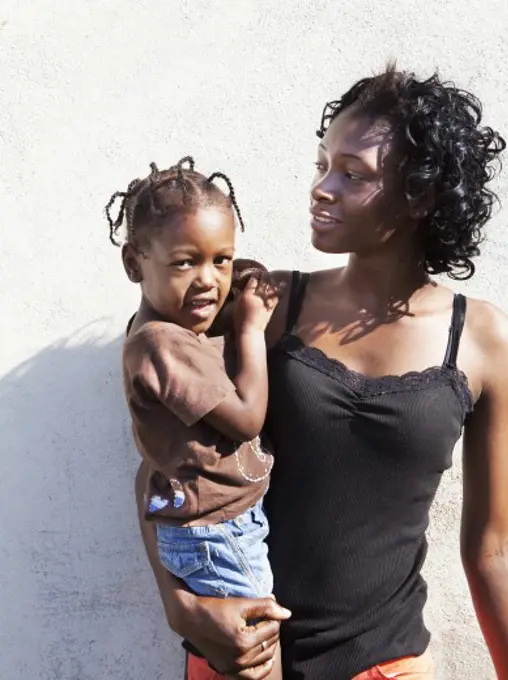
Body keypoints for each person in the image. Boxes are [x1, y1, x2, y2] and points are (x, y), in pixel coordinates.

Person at [136, 65, 508, 680]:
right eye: (322, 165)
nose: (322, 187)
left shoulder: (481, 341)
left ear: (421, 195)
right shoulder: (263, 306)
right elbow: (164, 469)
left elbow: (494, 545)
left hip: (386, 666)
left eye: (353, 174)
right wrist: (183, 609)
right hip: (240, 659)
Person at [106, 157, 287, 680]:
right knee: (258, 661)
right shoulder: (162, 344)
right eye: (185, 262)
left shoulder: (175, 328)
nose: (209, 281)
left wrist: (242, 277)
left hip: (222, 526)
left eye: (222, 260)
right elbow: (248, 418)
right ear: (135, 263)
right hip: (217, 533)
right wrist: (251, 329)